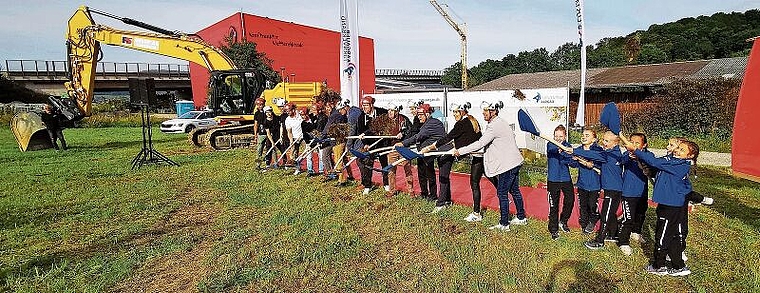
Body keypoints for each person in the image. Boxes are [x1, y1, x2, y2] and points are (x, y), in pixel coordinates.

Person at [454, 101, 528, 231]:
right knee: (515, 191)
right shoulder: (501, 123)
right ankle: (521, 217)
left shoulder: (494, 126)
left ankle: (504, 224)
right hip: (515, 162)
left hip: (508, 165)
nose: (483, 113)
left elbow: (481, 143)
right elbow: (491, 145)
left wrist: (461, 151)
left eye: (486, 110)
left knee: (502, 193)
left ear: (493, 112)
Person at [631, 139, 700, 276]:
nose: (677, 150)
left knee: (662, 236)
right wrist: (639, 156)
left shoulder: (679, 165)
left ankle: (659, 266)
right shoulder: (675, 162)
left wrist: (637, 150)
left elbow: (655, 162)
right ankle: (678, 266)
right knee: (672, 236)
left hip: (670, 206)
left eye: (682, 150)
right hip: (667, 204)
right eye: (678, 147)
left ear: (690, 156)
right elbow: (654, 166)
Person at [424, 102, 483, 217]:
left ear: (462, 112)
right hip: (477, 153)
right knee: (491, 178)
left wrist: (430, 147)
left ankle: (442, 203)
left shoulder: (462, 123)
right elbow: (462, 138)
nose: (454, 114)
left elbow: (448, 137)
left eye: (456, 112)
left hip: (479, 154)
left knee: (475, 183)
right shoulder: (471, 120)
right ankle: (446, 200)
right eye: (453, 112)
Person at [572, 131, 624, 249]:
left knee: (605, 215)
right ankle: (614, 234)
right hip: (611, 188)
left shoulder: (609, 154)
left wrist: (573, 150)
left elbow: (593, 155)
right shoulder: (611, 152)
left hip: (613, 189)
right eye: (603, 140)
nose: (604, 143)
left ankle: (599, 241)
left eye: (607, 141)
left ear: (615, 143)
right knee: (611, 213)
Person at [398, 104, 444, 201]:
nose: (419, 117)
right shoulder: (421, 122)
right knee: (421, 173)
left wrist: (403, 143)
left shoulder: (432, 123)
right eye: (418, 114)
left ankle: (433, 195)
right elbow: (414, 133)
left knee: (430, 174)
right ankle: (424, 193)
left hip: (430, 152)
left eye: (421, 114)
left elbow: (418, 136)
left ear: (427, 114)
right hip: (421, 151)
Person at [616, 133, 650, 255]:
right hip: (629, 192)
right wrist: (630, 157)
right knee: (628, 218)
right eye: (632, 142)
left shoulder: (648, 155)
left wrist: (640, 157)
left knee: (641, 213)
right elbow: (622, 161)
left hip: (642, 191)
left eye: (637, 143)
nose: (634, 145)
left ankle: (636, 232)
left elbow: (651, 165)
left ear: (644, 145)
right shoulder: (627, 155)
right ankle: (623, 242)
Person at [569, 128, 602, 235]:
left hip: (594, 184)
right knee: (583, 204)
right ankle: (584, 222)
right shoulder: (578, 150)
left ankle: (593, 219)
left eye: (587, 135)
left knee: (592, 205)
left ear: (594, 139)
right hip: (582, 184)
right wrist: (574, 159)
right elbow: (573, 164)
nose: (584, 137)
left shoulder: (598, 150)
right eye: (583, 135)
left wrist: (592, 163)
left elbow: (600, 163)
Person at [546, 125, 574, 240]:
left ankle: (563, 220)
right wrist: (560, 149)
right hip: (553, 180)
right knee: (554, 205)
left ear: (565, 136)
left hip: (566, 179)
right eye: (556, 136)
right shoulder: (550, 144)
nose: (558, 138)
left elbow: (570, 161)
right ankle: (553, 229)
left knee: (570, 201)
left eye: (560, 136)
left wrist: (567, 153)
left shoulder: (569, 146)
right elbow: (551, 150)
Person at [356, 96, 389, 195]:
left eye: (366, 105)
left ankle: (386, 184)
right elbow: (361, 131)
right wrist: (365, 143)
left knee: (385, 163)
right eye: (363, 105)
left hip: (382, 142)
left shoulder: (382, 113)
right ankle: (367, 185)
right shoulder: (361, 117)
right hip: (370, 144)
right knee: (366, 162)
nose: (364, 107)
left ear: (371, 105)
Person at [383, 103, 414, 197]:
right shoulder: (386, 121)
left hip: (403, 148)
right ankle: (392, 190)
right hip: (391, 148)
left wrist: (403, 133)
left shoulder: (403, 119)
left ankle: (411, 190)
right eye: (389, 110)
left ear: (396, 111)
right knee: (391, 170)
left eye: (392, 110)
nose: (390, 112)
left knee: (407, 168)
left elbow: (410, 130)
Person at [325, 99, 352, 186]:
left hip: (338, 141)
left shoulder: (337, 116)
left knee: (338, 159)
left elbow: (328, 128)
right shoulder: (341, 116)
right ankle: (350, 175)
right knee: (343, 158)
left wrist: (322, 136)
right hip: (341, 140)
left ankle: (342, 180)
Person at [284, 102, 304, 168]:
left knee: (308, 151)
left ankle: (310, 168)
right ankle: (297, 167)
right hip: (295, 137)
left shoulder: (300, 115)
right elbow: (289, 132)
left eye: (288, 110)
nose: (287, 112)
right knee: (294, 152)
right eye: (286, 111)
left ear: (293, 110)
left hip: (303, 136)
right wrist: (291, 141)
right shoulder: (287, 120)